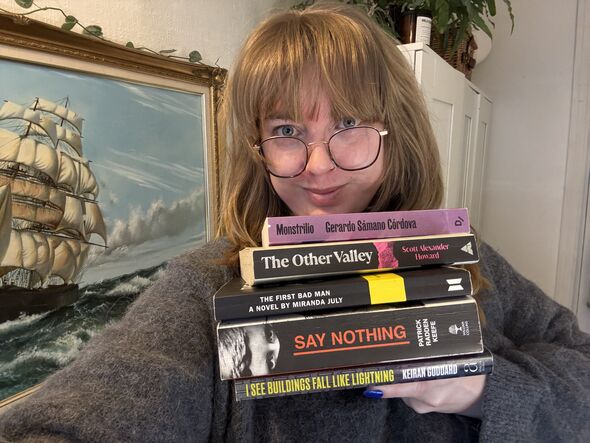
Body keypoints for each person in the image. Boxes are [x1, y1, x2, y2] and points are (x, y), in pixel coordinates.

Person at [1, 2, 589, 442]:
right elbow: (99, 405)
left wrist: (479, 388)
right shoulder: (206, 287)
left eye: (348, 124)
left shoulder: (464, 258)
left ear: (397, 134)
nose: (319, 165)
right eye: (287, 131)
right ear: (257, 148)